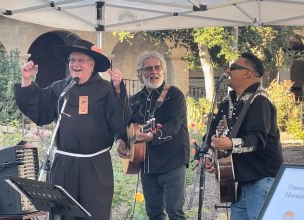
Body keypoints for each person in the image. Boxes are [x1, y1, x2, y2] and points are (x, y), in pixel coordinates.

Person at [14, 39, 128, 220]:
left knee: (94, 214)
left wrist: (117, 90)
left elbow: (119, 122)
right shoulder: (59, 88)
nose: (75, 64)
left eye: (81, 60)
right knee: (62, 215)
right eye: (72, 60)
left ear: (92, 65)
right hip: (64, 163)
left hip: (95, 166)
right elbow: (40, 111)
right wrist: (26, 80)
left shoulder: (106, 90)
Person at [204, 52, 283, 220]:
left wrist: (230, 144)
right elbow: (213, 131)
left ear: (247, 73)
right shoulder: (229, 100)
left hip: (262, 179)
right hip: (240, 181)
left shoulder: (260, 100)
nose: (228, 71)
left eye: (233, 68)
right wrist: (208, 155)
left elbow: (257, 139)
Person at [116, 50, 190, 220]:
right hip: (147, 165)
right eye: (148, 69)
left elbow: (173, 125)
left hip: (172, 162)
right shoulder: (134, 100)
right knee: (154, 213)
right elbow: (123, 124)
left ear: (163, 70)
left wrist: (153, 137)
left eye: (157, 68)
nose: (153, 72)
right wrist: (121, 139)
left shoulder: (174, 95)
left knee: (175, 212)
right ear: (140, 74)